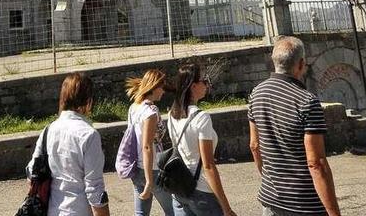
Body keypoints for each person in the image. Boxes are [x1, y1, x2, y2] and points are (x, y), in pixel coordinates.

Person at [248, 36, 341, 216]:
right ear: (301, 64)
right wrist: (334, 212)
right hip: (305, 204)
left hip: (270, 200)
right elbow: (316, 163)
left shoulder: (257, 93)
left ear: (274, 61)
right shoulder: (307, 101)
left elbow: (254, 145)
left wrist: (271, 180)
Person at [30, 72, 110, 216]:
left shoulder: (48, 130)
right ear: (89, 100)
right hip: (78, 210)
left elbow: (32, 172)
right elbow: (94, 188)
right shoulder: (89, 135)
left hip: (52, 210)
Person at [167, 63, 236, 216]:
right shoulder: (201, 118)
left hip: (180, 188)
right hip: (201, 190)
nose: (207, 84)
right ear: (193, 86)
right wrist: (226, 207)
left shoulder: (172, 114)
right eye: (204, 81)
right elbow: (209, 166)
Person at [125, 69, 174, 216]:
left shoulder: (134, 107)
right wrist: (149, 180)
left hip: (137, 167)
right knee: (174, 211)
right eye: (162, 87)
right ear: (154, 87)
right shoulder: (151, 112)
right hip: (153, 170)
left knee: (141, 213)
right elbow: (147, 146)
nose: (163, 92)